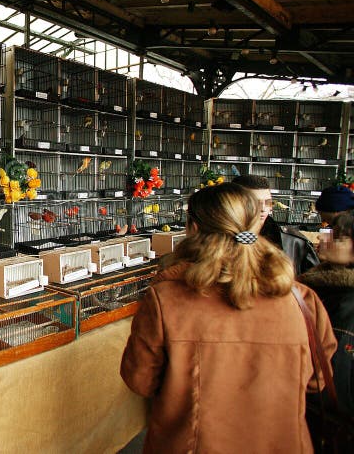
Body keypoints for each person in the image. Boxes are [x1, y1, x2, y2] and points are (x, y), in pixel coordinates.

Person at [120, 182, 336, 452]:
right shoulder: (300, 298)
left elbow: (141, 380)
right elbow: (318, 379)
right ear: (254, 224)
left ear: (193, 229)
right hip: (282, 444)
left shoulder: (165, 299)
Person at [299, 210, 354, 415]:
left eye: (338, 238)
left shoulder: (347, 303)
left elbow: (338, 372)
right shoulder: (313, 287)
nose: (324, 238)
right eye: (328, 231)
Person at [232, 174, 319, 276]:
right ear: (235, 203)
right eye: (255, 202)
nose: (263, 208)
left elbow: (314, 282)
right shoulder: (219, 240)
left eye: (268, 202)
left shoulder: (294, 242)